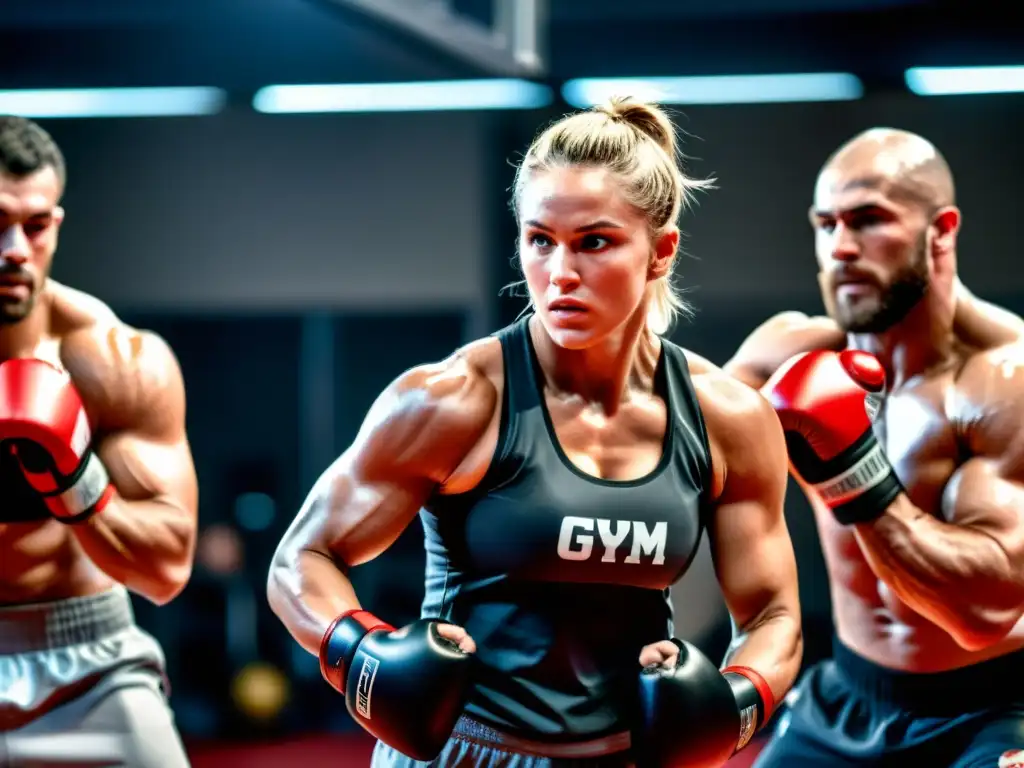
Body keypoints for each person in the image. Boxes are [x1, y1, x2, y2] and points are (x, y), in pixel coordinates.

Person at [269, 97, 804, 767]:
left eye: (594, 242)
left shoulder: (726, 420)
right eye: (539, 239)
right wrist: (357, 651)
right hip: (465, 751)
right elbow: (301, 559)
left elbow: (773, 617)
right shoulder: (455, 401)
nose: (560, 274)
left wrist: (736, 700)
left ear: (661, 251)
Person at [723, 127, 1024, 766]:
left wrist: (852, 471)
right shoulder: (786, 354)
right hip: (847, 693)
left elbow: (985, 611)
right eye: (825, 224)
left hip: (994, 709)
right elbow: (653, 464)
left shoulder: (1007, 380)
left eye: (867, 221)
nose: (841, 248)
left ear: (941, 230)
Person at [0, 116, 197, 766]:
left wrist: (72, 475)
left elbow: (166, 571)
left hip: (89, 667)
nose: (15, 250)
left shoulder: (114, 362)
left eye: (35, 225)